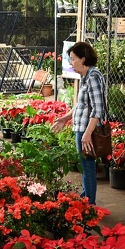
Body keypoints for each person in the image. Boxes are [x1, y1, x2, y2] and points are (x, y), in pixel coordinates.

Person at [51, 41, 107, 205]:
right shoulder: (86, 77)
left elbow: (98, 109)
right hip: (81, 128)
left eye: (73, 58)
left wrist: (87, 134)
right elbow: (81, 105)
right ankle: (86, 198)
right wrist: (65, 118)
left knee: (87, 166)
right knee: (85, 165)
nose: (71, 62)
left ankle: (89, 204)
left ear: (83, 59)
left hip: (86, 130)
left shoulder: (94, 77)